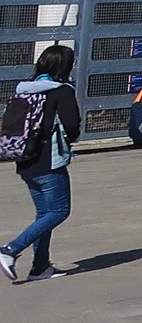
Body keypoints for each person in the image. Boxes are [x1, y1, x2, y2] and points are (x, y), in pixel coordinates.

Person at [1, 43, 79, 282]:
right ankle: (10, 250)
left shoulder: (24, 89)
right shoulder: (62, 91)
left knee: (44, 213)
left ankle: (40, 267)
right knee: (59, 211)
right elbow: (73, 127)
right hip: (49, 161)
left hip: (24, 159)